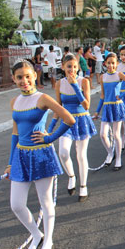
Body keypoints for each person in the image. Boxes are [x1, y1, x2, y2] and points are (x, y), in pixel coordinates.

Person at [5, 60, 75, 249]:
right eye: (20, 77)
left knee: (45, 202)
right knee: (16, 205)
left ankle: (48, 241)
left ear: (35, 76)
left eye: (28, 76)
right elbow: (15, 134)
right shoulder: (14, 102)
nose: (24, 81)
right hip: (20, 156)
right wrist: (10, 162)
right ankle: (36, 235)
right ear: (14, 79)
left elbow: (70, 119)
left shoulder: (42, 98)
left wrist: (50, 138)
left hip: (41, 155)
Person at [49, 54, 96, 202]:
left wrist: (75, 85)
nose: (72, 70)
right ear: (63, 67)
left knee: (81, 155)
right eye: (69, 66)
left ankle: (83, 186)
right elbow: (58, 106)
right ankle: (71, 176)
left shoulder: (84, 82)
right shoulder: (59, 84)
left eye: (75, 67)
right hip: (66, 121)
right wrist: (51, 127)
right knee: (63, 153)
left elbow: (86, 105)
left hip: (82, 120)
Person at [94, 53, 125, 171]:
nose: (111, 65)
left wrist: (121, 95)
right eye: (109, 63)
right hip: (107, 108)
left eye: (113, 63)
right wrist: (97, 111)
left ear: (116, 64)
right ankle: (110, 152)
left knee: (116, 134)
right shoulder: (102, 77)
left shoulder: (119, 75)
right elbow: (102, 96)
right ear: (105, 63)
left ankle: (118, 159)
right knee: (103, 134)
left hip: (117, 107)